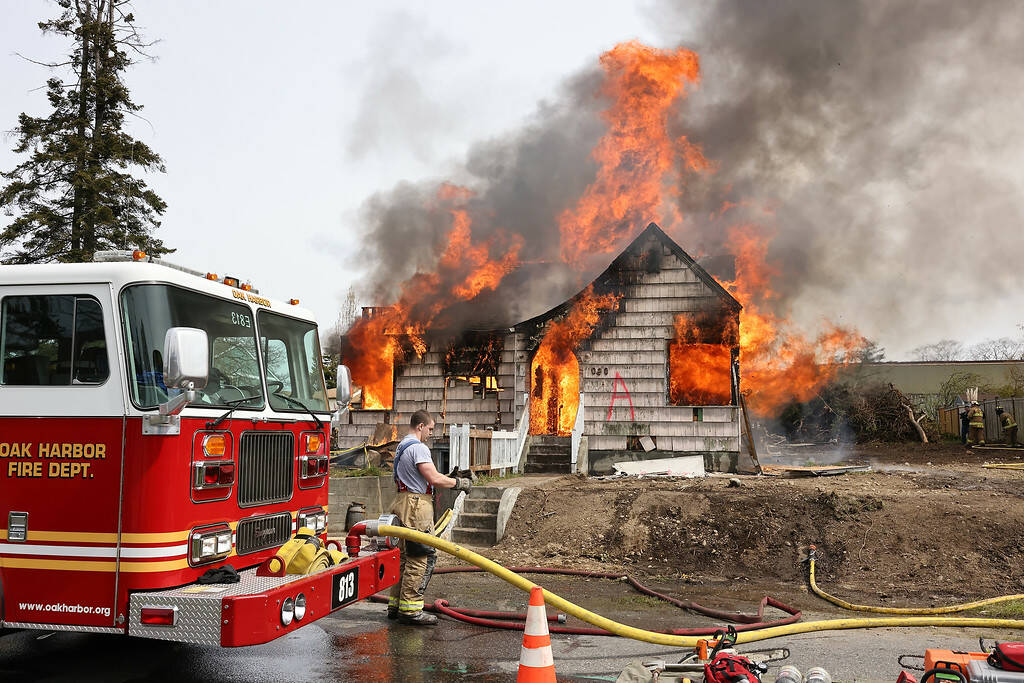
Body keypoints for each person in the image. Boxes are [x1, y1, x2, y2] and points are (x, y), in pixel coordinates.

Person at [388, 409, 472, 626]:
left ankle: (396, 605)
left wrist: (447, 477)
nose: (431, 433)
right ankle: (411, 610)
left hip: (401, 502)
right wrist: (459, 483)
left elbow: (423, 476)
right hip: (417, 506)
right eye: (430, 429)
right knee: (420, 557)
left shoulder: (402, 446)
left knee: (403, 558)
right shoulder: (419, 448)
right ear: (420, 426)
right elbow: (433, 478)